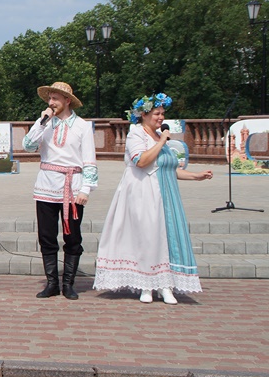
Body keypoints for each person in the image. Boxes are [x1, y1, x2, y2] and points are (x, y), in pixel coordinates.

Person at [94, 93, 211, 304]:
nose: (161, 117)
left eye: (162, 113)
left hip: (166, 194)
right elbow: (141, 161)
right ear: (144, 115)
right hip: (143, 192)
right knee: (147, 236)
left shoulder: (159, 138)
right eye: (157, 113)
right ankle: (146, 284)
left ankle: (165, 285)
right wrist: (163, 140)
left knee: (165, 238)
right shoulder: (136, 134)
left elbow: (168, 169)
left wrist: (196, 176)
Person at [23, 81, 97, 300]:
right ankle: (52, 283)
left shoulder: (82, 126)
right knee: (46, 236)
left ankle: (68, 284)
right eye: (49, 98)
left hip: (72, 187)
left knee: (72, 236)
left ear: (67, 100)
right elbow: (28, 145)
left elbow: (89, 160)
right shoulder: (44, 124)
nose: (51, 102)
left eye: (55, 98)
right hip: (46, 186)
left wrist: (85, 189)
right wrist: (41, 123)